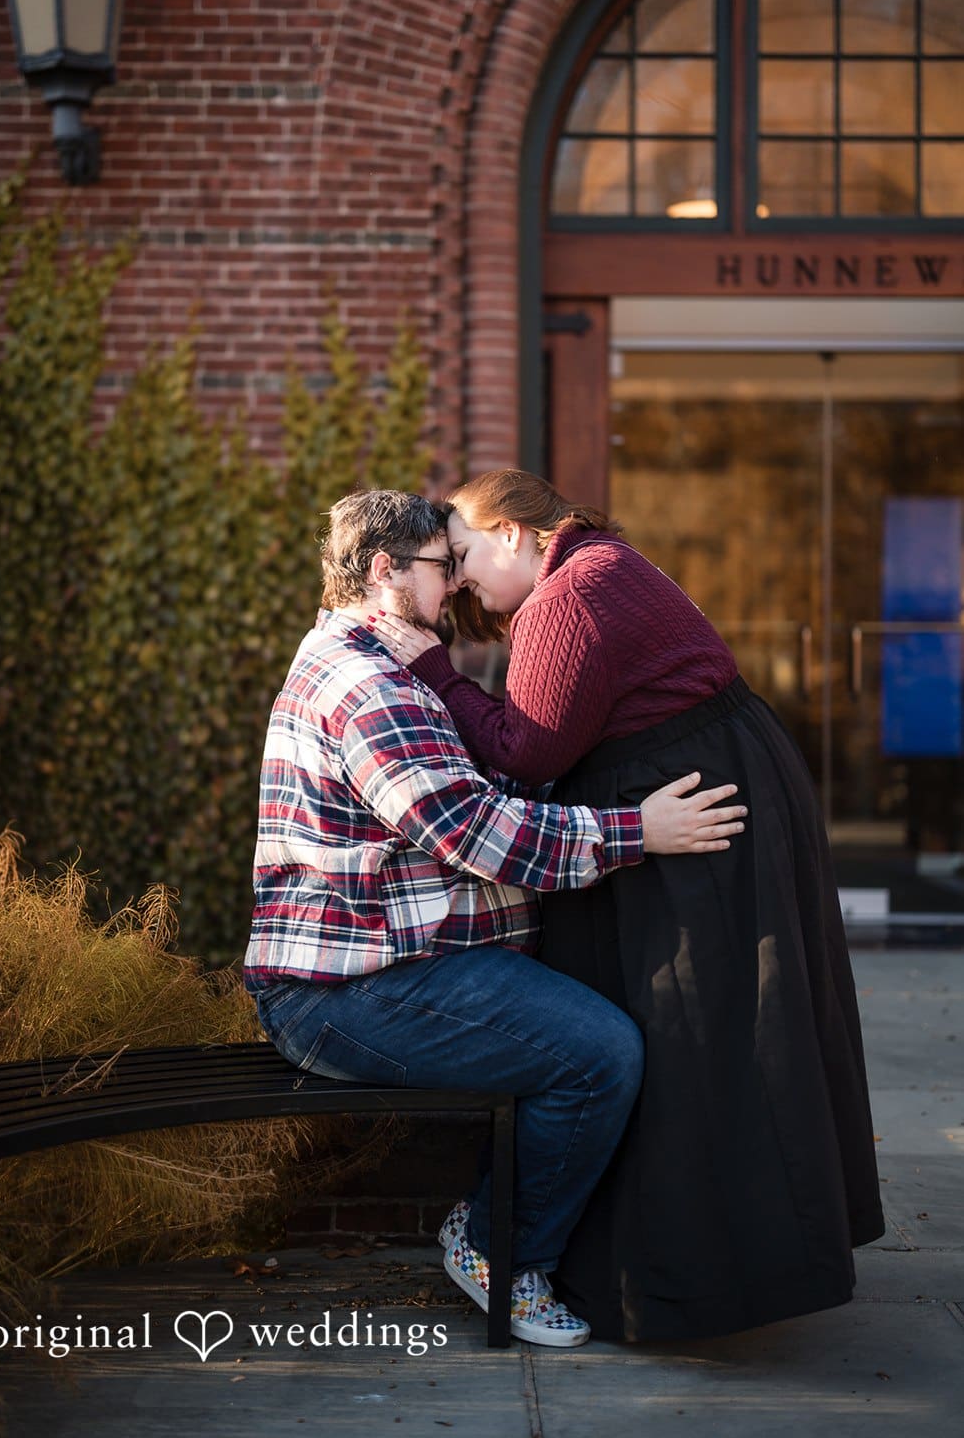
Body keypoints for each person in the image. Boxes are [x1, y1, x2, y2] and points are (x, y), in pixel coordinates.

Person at [372, 469, 885, 1343]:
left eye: (461, 556)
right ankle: (718, 1265)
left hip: (693, 822)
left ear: (511, 533)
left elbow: (525, 752)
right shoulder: (599, 567)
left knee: (696, 1032)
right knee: (718, 1028)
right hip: (701, 797)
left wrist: (432, 670)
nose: (456, 581)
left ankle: (682, 1279)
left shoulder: (570, 594)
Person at [243, 489, 748, 1348]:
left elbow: (487, 787)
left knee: (597, 1024)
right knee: (597, 1055)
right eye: (443, 567)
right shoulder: (366, 685)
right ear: (385, 570)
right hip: (345, 990)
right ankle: (496, 1250)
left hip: (396, 964)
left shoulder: (389, 665)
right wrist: (637, 831)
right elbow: (473, 830)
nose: (456, 586)